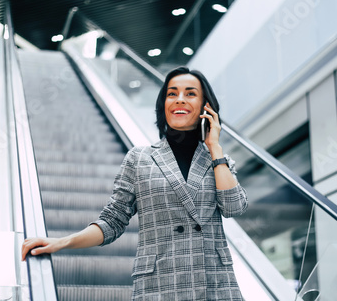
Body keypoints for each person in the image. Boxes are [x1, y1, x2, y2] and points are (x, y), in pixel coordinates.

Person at [21, 66, 248, 300]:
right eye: (172, 93)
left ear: (205, 106)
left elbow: (233, 207)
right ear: (163, 104)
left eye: (190, 94)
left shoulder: (219, 161)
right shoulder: (139, 158)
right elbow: (113, 220)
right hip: (159, 285)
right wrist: (62, 242)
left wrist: (215, 148)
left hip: (216, 286)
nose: (180, 100)